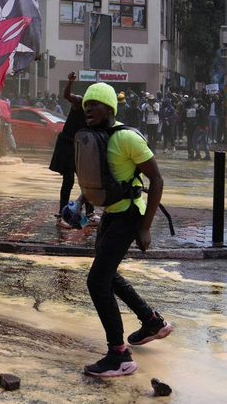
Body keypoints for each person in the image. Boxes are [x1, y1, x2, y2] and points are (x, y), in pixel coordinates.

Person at [77, 83, 171, 378]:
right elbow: (99, 178)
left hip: (130, 216)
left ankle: (119, 356)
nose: (89, 109)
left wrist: (145, 227)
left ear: (109, 109)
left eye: (95, 104)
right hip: (110, 215)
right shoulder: (96, 138)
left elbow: (157, 180)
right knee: (108, 275)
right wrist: (79, 202)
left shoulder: (127, 137)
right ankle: (151, 321)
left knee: (97, 282)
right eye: (86, 105)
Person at [49, 72, 93, 228]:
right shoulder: (80, 102)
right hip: (67, 146)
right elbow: (67, 95)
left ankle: (90, 214)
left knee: (87, 182)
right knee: (68, 180)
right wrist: (70, 81)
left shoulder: (97, 113)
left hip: (79, 148)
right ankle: (61, 215)